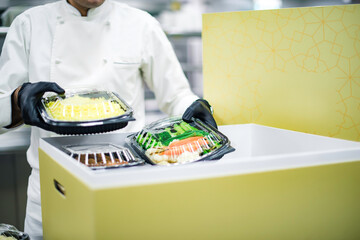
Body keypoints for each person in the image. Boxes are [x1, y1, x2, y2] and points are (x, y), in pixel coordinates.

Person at [0, 0, 217, 239]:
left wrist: (194, 106)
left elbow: (175, 95)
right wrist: (18, 100)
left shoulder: (141, 24)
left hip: (124, 186)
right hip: (51, 190)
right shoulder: (29, 25)